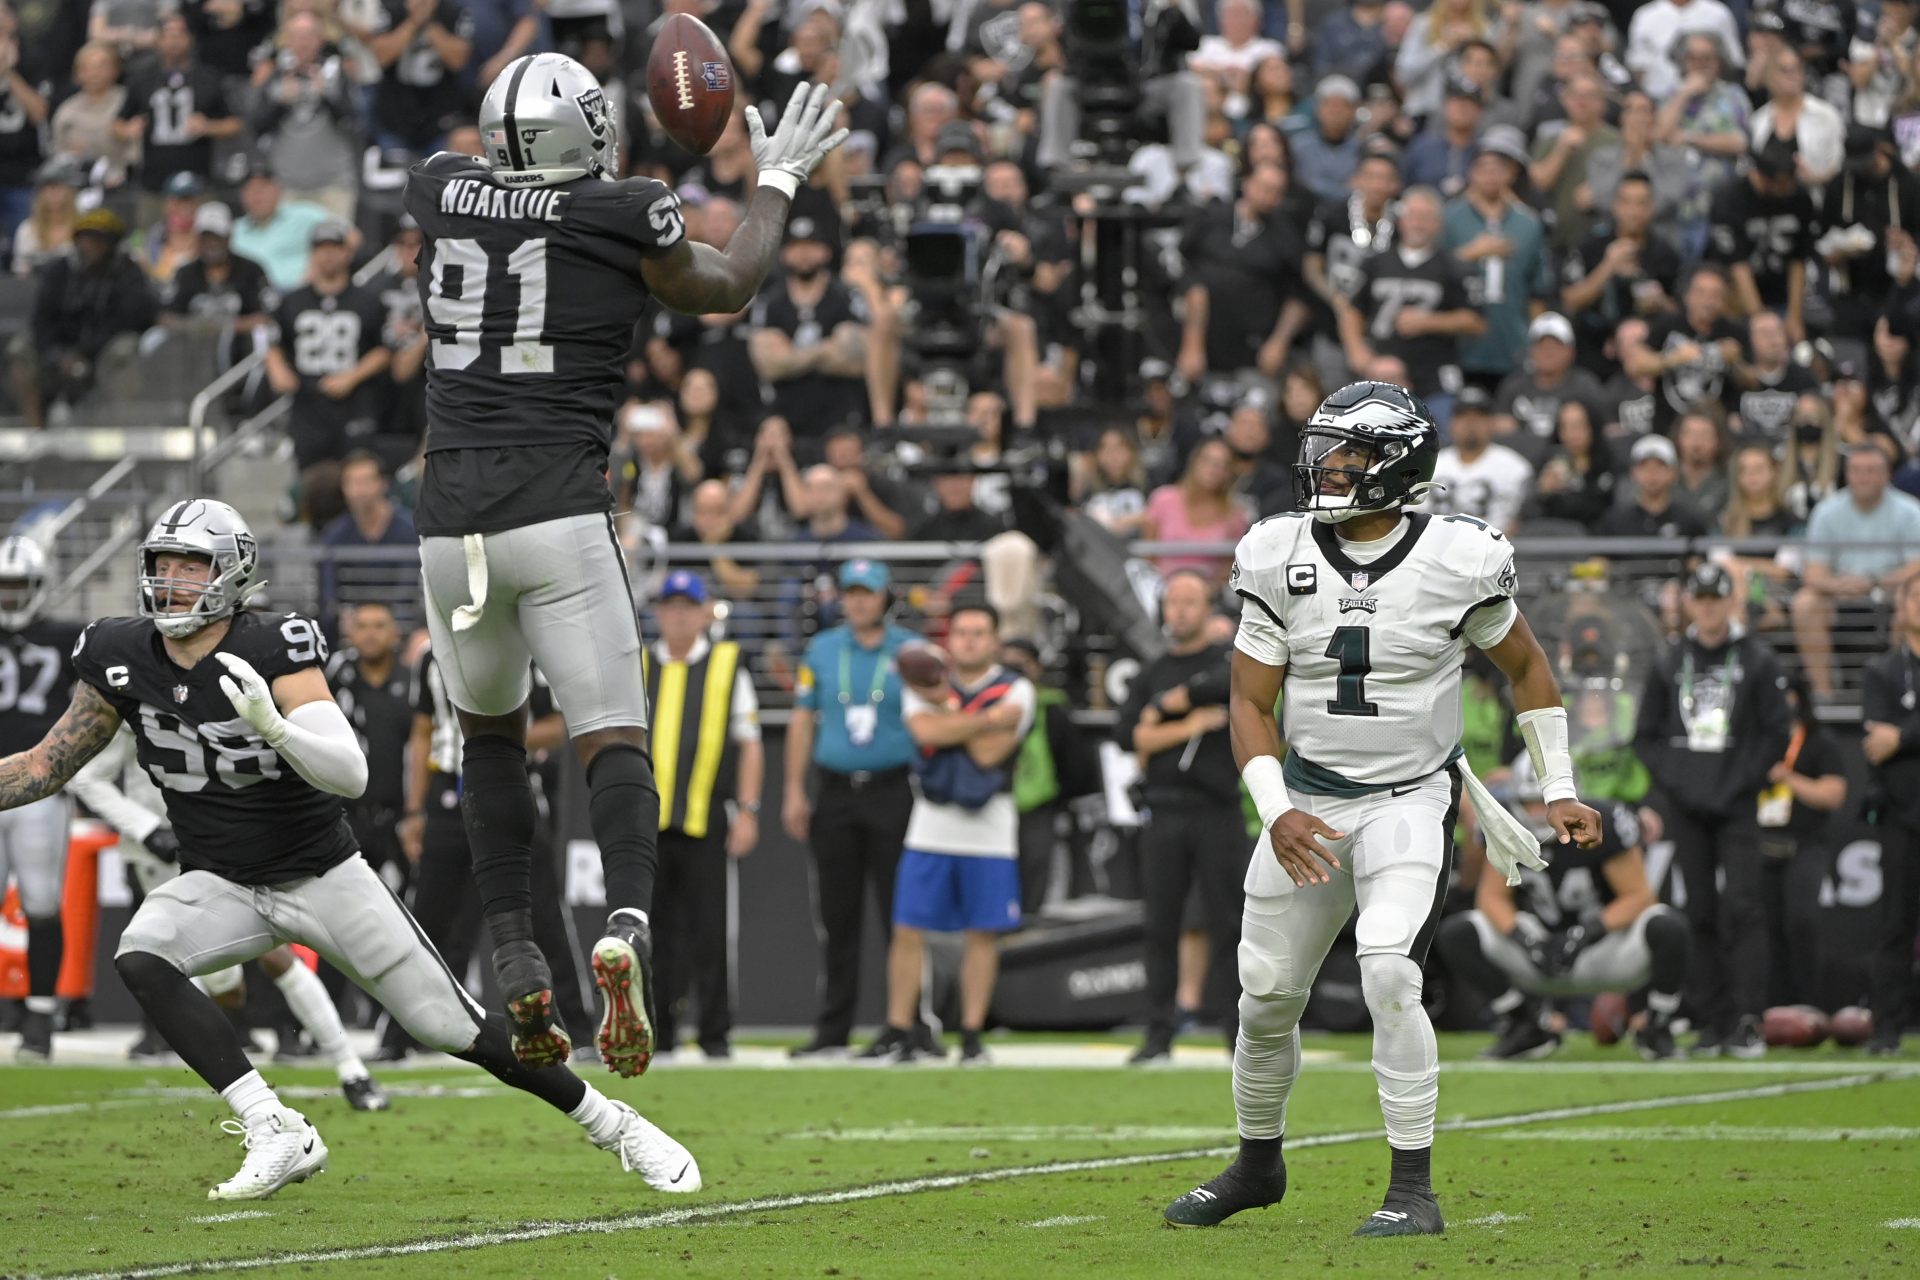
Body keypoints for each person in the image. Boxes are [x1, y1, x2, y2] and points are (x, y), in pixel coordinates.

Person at [0, 500, 697, 1200]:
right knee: (142, 954)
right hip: (222, 879)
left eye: (192, 565)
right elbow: (42, 766)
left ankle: (617, 1125)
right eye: (163, 564)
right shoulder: (117, 653)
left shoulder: (272, 646)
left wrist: (273, 725)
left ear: (232, 573)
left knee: (452, 1027)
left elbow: (350, 771)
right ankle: (274, 1125)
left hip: (322, 876)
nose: (174, 580)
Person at [403, 56, 845, 1073]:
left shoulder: (435, 187)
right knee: (614, 736)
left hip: (446, 524)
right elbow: (728, 286)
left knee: (489, 741)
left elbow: (470, 180)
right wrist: (773, 184)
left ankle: (514, 949)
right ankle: (629, 923)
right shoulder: (626, 209)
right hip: (555, 510)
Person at [1165, 380, 1604, 1235]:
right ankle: (1258, 1165)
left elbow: (1528, 669)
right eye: (1324, 451)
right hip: (1310, 802)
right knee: (1261, 995)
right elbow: (1250, 705)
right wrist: (1276, 809)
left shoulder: (1457, 557)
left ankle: (1412, 1191)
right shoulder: (1276, 552)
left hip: (1409, 799)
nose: (1325, 469)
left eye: (1347, 455)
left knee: (1390, 970)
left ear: (1396, 467)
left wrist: (1558, 787)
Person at [66, 720, 392, 1109]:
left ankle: (351, 1069)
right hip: (165, 852)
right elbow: (86, 779)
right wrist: (148, 828)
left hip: (228, 840)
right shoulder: (134, 688)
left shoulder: (227, 679)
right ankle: (239, 1084)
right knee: (219, 984)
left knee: (277, 954)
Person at [1634, 562, 1792, 1059]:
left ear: (1730, 603)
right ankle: (1710, 1019)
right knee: (1698, 910)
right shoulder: (1668, 660)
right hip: (1688, 804)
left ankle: (1747, 1018)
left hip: (1737, 803)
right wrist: (1679, 783)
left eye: (1715, 599)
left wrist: (1740, 781)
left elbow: (1776, 734)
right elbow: (1647, 737)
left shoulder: (1757, 660)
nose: (1707, 607)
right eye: (1699, 599)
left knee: (1743, 908)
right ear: (1688, 604)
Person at [1435, 757, 1691, 1061]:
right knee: (1459, 932)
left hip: (1603, 950)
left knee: (1667, 926)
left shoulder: (1603, 821)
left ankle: (1657, 1026)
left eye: (1544, 803)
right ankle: (1525, 1024)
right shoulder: (1505, 824)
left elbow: (1639, 897)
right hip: (1540, 949)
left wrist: (1587, 933)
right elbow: (1491, 898)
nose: (1536, 813)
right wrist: (1523, 938)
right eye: (1528, 802)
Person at [879, 603, 1034, 1064]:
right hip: (930, 825)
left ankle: (971, 1033)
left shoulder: (1017, 686)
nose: (968, 640)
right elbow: (926, 730)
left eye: (978, 632)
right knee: (908, 928)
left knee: (982, 933)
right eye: (961, 632)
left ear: (994, 640)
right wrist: (983, 720)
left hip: (990, 829)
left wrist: (950, 720)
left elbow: (990, 755)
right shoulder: (922, 677)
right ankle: (900, 1030)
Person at [784, 559, 922, 1059]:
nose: (859, 601)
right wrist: (795, 790)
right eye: (851, 593)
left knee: (901, 915)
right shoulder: (822, 651)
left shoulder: (910, 651)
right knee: (837, 915)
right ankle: (833, 1027)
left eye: (868, 593)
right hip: (837, 791)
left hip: (892, 789)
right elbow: (803, 722)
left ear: (886, 598)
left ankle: (906, 1023)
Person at [1116, 570, 1243, 1063]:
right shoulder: (1152, 669)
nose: (1181, 611)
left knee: (1229, 923)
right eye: (1173, 602)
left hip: (1216, 810)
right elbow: (1129, 736)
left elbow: (1229, 686)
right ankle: (1157, 1031)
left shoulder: (1225, 661)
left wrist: (1171, 707)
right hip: (1164, 809)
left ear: (1208, 607)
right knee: (1160, 924)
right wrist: (1188, 722)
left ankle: (1237, 1032)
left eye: (1191, 601)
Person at [641, 571, 762, 1060]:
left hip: (704, 816)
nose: (677, 615)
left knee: (709, 929)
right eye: (669, 606)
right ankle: (659, 1034)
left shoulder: (727, 665)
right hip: (647, 821)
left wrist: (749, 810)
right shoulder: (638, 664)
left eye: (686, 606)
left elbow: (748, 743)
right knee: (654, 931)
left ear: (704, 611)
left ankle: (714, 1034)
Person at [0, 536, 79, 1061]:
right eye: (4, 588)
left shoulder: (68, 637)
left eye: (19, 586)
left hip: (40, 790)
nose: (11, 598)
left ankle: (41, 1016)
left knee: (42, 901)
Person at [1337, 186, 1485, 413]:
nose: (1419, 223)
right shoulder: (1375, 262)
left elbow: (1476, 322)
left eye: (1426, 217)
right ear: (1401, 220)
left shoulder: (1453, 267)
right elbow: (1351, 310)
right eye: (1413, 216)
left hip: (1433, 374)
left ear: (1439, 224)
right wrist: (1362, 357)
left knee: (1440, 430)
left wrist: (1428, 322)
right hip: (1380, 372)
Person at [1790, 447, 1920, 699]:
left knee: (1915, 602)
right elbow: (1813, 574)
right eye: (1857, 471)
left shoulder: (1910, 511)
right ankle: (1824, 696)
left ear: (1887, 475)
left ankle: (1900, 694)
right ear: (1847, 474)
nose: (1863, 478)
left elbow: (1918, 565)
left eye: (1871, 471)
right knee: (1805, 603)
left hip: (1893, 594)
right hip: (1840, 597)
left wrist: (1878, 582)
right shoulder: (1826, 512)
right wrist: (1841, 586)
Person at [265, 221, 393, 474]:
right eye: (321, 248)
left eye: (334, 248)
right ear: (311, 254)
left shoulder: (368, 301)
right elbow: (272, 340)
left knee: (357, 475)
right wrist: (277, 369)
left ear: (347, 252)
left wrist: (352, 376)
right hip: (307, 407)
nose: (328, 255)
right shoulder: (291, 301)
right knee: (311, 483)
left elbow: (385, 349)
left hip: (354, 405)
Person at [1862, 577, 1920, 1056]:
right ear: (1900, 608)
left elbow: (1890, 740)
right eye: (1916, 595)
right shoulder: (1883, 671)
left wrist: (1902, 737)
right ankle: (1887, 1028)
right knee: (1894, 924)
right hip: (1902, 812)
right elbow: (1873, 744)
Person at [323, 601, 414, 895]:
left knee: (403, 900)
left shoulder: (411, 681)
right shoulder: (335, 677)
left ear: (395, 633)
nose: (370, 634)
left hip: (397, 814)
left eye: (379, 626)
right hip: (345, 813)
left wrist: (416, 811)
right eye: (362, 626)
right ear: (350, 633)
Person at [1428, 387, 1534, 536]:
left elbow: (1518, 522)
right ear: (1451, 424)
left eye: (1479, 416)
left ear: (1492, 423)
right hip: (1435, 548)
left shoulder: (1515, 467)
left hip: (1494, 550)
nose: (1470, 423)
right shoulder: (1431, 464)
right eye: (1463, 416)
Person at [1597, 434, 1711, 538]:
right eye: (1644, 467)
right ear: (1633, 472)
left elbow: (1697, 559)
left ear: (1673, 472)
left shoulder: (1690, 521)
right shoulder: (1614, 522)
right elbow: (1601, 559)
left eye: (1660, 466)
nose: (1652, 474)